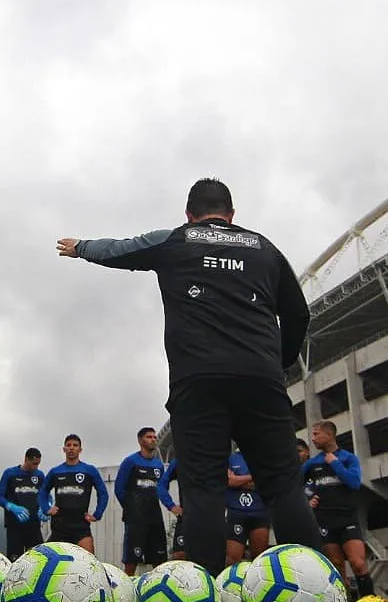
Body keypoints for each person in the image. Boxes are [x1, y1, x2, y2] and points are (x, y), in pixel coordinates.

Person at [57, 177, 320, 576]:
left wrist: (81, 248)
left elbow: (121, 249)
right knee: (283, 483)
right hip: (260, 380)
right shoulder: (265, 249)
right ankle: (316, 593)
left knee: (203, 488)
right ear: (232, 214)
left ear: (189, 214)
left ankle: (204, 600)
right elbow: (299, 315)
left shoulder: (177, 240)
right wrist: (276, 365)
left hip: (198, 381)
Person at [304, 420, 374, 597]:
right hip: (325, 521)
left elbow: (354, 483)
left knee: (357, 563)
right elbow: (295, 485)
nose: (313, 438)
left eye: (316, 434)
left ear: (329, 435)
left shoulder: (348, 458)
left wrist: (335, 463)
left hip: (347, 519)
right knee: (336, 566)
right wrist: (308, 499)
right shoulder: (312, 463)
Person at [40, 435, 109, 555]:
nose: (71, 448)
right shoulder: (55, 471)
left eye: (75, 445)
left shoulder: (89, 470)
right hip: (59, 524)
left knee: (89, 562)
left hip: (81, 524)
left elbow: (103, 493)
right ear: (64, 449)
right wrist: (46, 508)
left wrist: (97, 514)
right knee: (54, 561)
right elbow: (42, 492)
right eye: (69, 445)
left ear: (80, 450)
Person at [115, 428, 167, 574]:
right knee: (132, 561)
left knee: (159, 562)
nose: (153, 439)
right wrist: (132, 507)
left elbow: (161, 489)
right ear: (140, 440)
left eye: (154, 437)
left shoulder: (158, 465)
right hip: (135, 519)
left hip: (155, 518)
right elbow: (119, 489)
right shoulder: (130, 461)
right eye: (149, 437)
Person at [0, 448, 46, 562]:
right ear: (26, 459)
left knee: (37, 561)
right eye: (33, 463)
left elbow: (46, 495)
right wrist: (12, 507)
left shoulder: (40, 475)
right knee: (14, 561)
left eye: (38, 464)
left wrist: (45, 507)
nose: (35, 467)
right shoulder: (10, 473)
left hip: (34, 526)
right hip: (14, 526)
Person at [225, 450, 270, 565]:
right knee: (232, 560)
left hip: (260, 512)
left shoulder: (264, 457)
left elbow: (266, 481)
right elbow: (230, 481)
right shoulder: (230, 458)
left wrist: (239, 480)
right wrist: (253, 477)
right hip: (236, 512)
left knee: (259, 560)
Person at [157, 455, 186, 561]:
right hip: (186, 516)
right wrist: (171, 505)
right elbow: (161, 485)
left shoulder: (213, 457)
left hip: (209, 516)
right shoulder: (180, 460)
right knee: (179, 556)